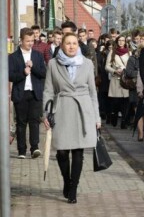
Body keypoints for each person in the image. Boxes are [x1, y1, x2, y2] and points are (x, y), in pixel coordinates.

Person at [42, 32, 101, 203]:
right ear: (62, 45)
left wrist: (97, 117)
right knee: (61, 151)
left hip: (83, 110)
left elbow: (92, 92)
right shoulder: (53, 64)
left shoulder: (87, 63)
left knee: (78, 151)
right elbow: (48, 91)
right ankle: (66, 181)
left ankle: (73, 188)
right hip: (62, 108)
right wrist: (46, 114)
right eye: (68, 43)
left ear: (78, 45)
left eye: (74, 43)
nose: (71, 46)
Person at [9, 27, 47, 159]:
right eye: (27, 41)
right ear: (21, 40)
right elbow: (10, 76)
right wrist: (23, 73)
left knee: (34, 121)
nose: (30, 43)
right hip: (20, 93)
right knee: (21, 122)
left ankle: (35, 148)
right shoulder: (13, 57)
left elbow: (43, 73)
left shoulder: (37, 55)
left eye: (32, 40)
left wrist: (33, 67)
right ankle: (21, 150)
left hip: (35, 92)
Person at [105, 35, 131, 128]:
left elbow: (132, 65)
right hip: (115, 79)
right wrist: (114, 71)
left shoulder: (129, 52)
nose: (121, 42)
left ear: (125, 42)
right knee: (115, 101)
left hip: (125, 80)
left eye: (123, 40)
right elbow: (107, 66)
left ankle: (124, 121)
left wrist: (127, 71)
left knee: (125, 101)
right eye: (119, 40)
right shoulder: (112, 52)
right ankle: (114, 116)